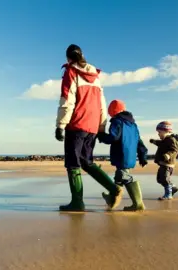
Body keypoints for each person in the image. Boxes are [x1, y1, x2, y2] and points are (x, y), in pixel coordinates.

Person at [55, 44, 123, 212]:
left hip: (76, 124)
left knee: (73, 164)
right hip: (92, 126)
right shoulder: (96, 77)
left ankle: (77, 202)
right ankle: (114, 189)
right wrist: (101, 127)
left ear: (68, 58)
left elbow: (67, 101)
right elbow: (102, 104)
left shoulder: (71, 72)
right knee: (86, 162)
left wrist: (60, 125)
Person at [98, 100, 148, 211]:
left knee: (124, 176)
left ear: (112, 111)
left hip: (121, 154)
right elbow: (139, 142)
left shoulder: (117, 121)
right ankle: (112, 200)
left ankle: (138, 204)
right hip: (129, 156)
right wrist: (142, 157)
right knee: (119, 178)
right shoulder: (133, 125)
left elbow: (113, 137)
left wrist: (101, 135)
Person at [149, 121, 178, 200]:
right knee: (160, 179)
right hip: (162, 163)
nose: (158, 134)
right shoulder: (165, 140)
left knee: (165, 179)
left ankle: (168, 194)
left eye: (159, 132)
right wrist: (154, 141)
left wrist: (168, 155)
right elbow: (161, 143)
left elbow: (174, 150)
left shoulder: (171, 140)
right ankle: (173, 187)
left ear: (166, 131)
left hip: (168, 164)